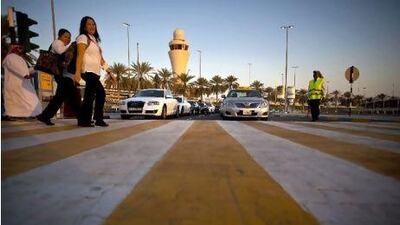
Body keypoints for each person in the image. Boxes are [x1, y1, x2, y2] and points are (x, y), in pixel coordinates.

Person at [74, 16, 115, 127]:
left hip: (95, 72)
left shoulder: (95, 41)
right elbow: (80, 55)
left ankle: (93, 119)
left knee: (96, 94)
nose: (92, 26)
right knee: (93, 94)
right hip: (87, 70)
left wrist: (110, 73)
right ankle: (87, 120)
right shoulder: (83, 37)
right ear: (84, 26)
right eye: (89, 24)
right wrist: (77, 72)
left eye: (93, 24)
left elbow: (101, 60)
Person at [37, 29, 81, 125]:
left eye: (69, 38)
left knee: (61, 97)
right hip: (60, 75)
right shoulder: (58, 43)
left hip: (62, 75)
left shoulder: (62, 44)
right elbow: (62, 52)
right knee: (72, 96)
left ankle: (44, 116)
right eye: (65, 37)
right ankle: (82, 118)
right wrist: (73, 44)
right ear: (59, 37)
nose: (67, 39)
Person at [2, 43, 42, 119]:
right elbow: (14, 67)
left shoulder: (19, 58)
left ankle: (30, 114)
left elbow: (25, 70)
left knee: (28, 100)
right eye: (19, 48)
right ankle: (11, 115)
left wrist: (35, 68)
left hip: (23, 83)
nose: (21, 50)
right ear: (14, 48)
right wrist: (24, 74)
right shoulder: (10, 57)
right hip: (15, 83)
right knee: (15, 101)